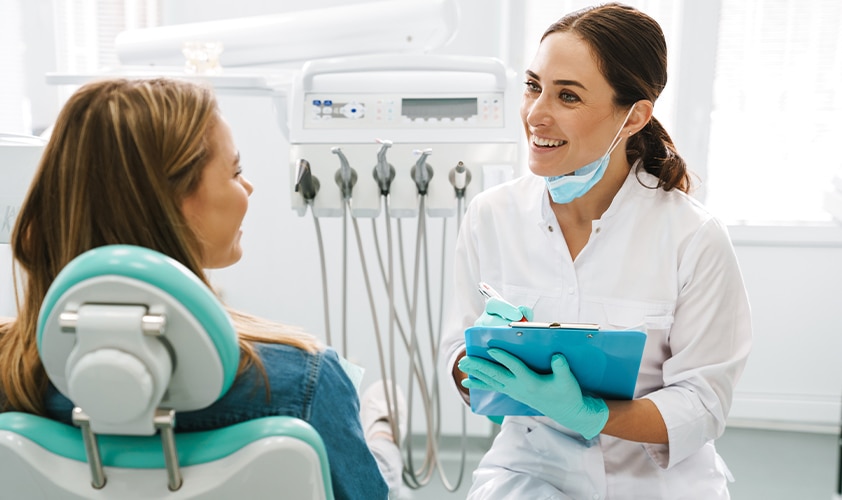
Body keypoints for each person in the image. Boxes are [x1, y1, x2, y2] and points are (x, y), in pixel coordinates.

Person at [0, 77, 404, 500]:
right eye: (236, 171)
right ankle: (381, 423)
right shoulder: (304, 381)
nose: (247, 188)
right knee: (383, 455)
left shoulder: (13, 377)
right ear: (169, 200)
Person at [440, 3, 752, 499]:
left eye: (567, 96)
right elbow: (458, 354)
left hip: (655, 483)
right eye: (533, 85)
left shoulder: (693, 237)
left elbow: (705, 402)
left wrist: (592, 414)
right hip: (529, 470)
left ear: (634, 117)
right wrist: (478, 364)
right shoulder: (491, 216)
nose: (536, 113)